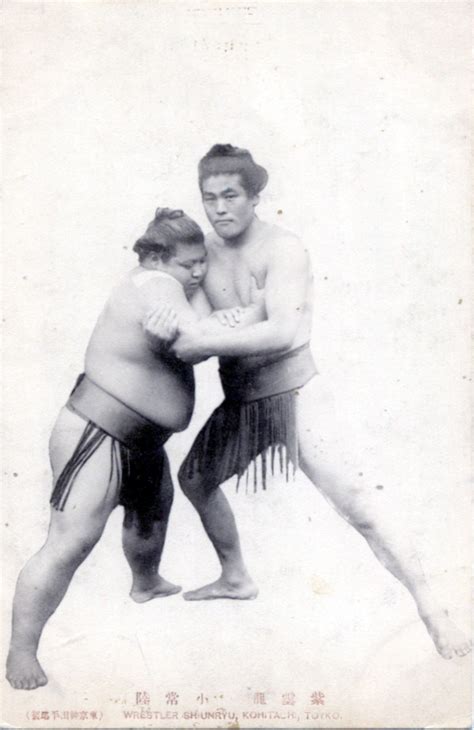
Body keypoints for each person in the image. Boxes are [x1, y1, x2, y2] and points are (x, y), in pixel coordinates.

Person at [150, 144, 471, 660]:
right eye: (208, 198)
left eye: (230, 195)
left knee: (360, 508)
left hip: (296, 393)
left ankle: (433, 608)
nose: (218, 209)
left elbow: (281, 334)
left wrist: (231, 327)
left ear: (256, 196)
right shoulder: (202, 253)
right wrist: (234, 320)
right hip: (243, 399)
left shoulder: (284, 249)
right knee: (194, 479)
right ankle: (235, 577)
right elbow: (191, 335)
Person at [6, 206, 262, 691]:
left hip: (143, 440)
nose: (198, 272)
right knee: (71, 541)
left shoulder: (175, 287)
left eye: (201, 263)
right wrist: (245, 314)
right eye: (188, 264)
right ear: (157, 258)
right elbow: (199, 339)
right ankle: (21, 650)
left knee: (150, 519)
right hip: (97, 430)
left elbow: (202, 324)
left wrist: (216, 315)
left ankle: (146, 584)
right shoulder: (155, 285)